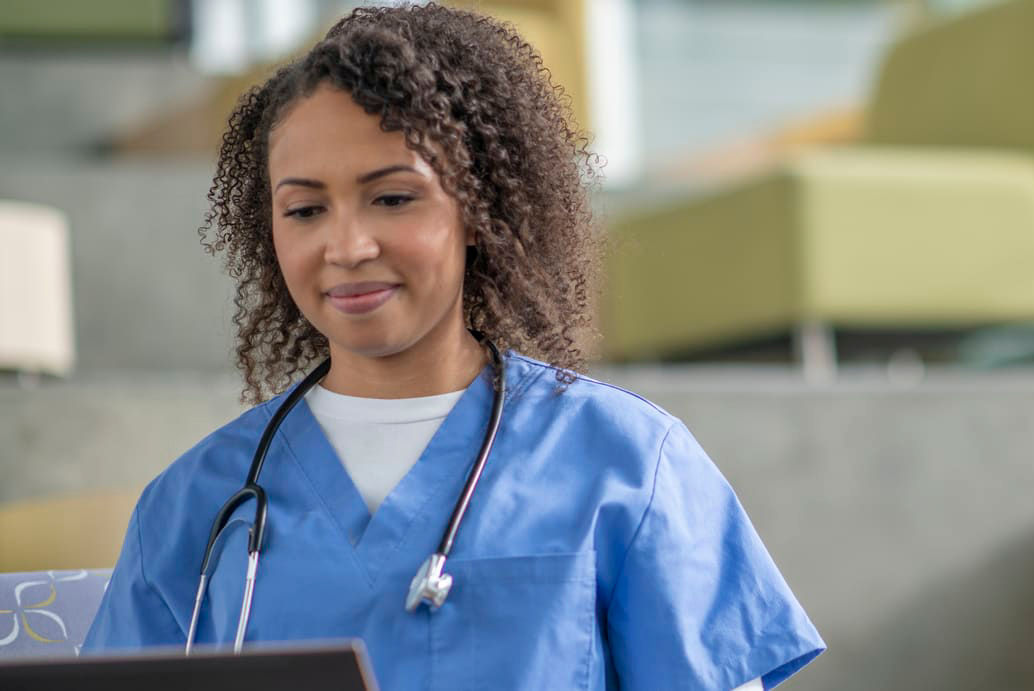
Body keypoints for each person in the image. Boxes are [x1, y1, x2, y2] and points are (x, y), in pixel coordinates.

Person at [82, 3, 824, 688]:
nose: (346, 244)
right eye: (305, 209)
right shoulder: (194, 508)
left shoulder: (628, 466)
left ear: (480, 208)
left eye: (394, 197)